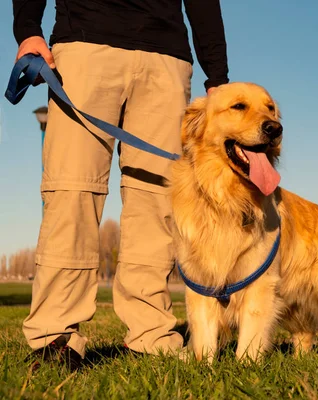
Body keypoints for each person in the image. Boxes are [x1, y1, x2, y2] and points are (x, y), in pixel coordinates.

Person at [12, 0, 229, 371]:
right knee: (72, 191)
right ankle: (55, 335)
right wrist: (28, 29)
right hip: (85, 44)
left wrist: (218, 78)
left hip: (167, 56)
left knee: (158, 199)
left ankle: (151, 334)